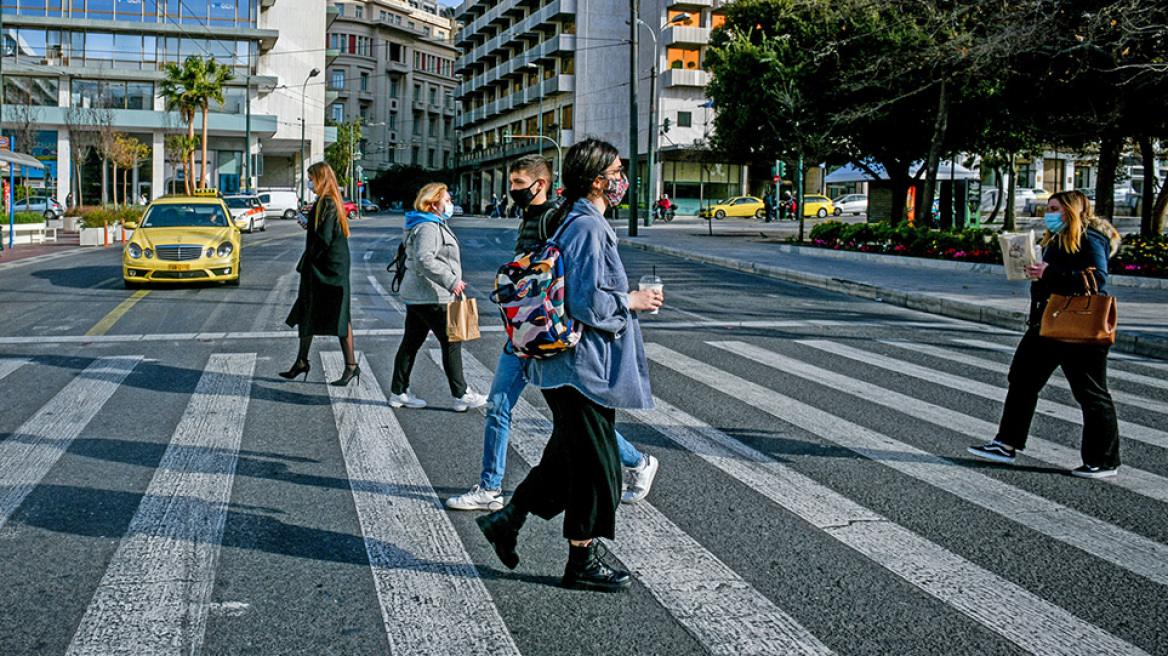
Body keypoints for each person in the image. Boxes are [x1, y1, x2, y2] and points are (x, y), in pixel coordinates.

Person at [475, 139, 663, 593]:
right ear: (598, 180)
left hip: (571, 367)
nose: (623, 179)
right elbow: (588, 301)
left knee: (564, 460)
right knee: (599, 468)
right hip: (582, 369)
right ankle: (581, 560)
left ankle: (508, 520)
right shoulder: (587, 227)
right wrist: (631, 300)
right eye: (617, 171)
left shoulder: (578, 220)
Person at [446, 155, 660, 512]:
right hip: (526, 330)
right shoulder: (530, 216)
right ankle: (491, 487)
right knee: (502, 405)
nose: (512, 190)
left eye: (517, 183)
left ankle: (635, 463)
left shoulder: (558, 219)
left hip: (550, 334)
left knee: (573, 422)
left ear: (540, 183)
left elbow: (575, 282)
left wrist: (623, 300)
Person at [968, 190, 1122, 478]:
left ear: (1072, 210)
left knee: (1091, 393)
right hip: (1046, 325)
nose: (1049, 214)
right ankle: (1006, 443)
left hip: (1078, 329)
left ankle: (1104, 460)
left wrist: (1048, 272)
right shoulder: (1060, 238)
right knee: (1021, 380)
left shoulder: (1091, 237)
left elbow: (1096, 278)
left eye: (1054, 208)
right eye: (1048, 209)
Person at [387, 182, 487, 412]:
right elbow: (424, 259)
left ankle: (398, 392)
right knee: (452, 341)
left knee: (411, 343)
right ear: (433, 204)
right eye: (447, 200)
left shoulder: (428, 223)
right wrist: (451, 281)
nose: (451, 204)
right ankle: (461, 395)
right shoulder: (428, 227)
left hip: (420, 295)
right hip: (432, 295)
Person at [280, 161, 360, 387]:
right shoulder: (328, 201)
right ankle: (302, 361)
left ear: (320, 179)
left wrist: (309, 260)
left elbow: (324, 238)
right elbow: (324, 231)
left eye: (311, 178)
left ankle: (350, 366)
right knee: (311, 310)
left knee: (338, 315)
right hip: (329, 267)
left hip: (327, 268)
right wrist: (310, 225)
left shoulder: (327, 202)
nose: (310, 183)